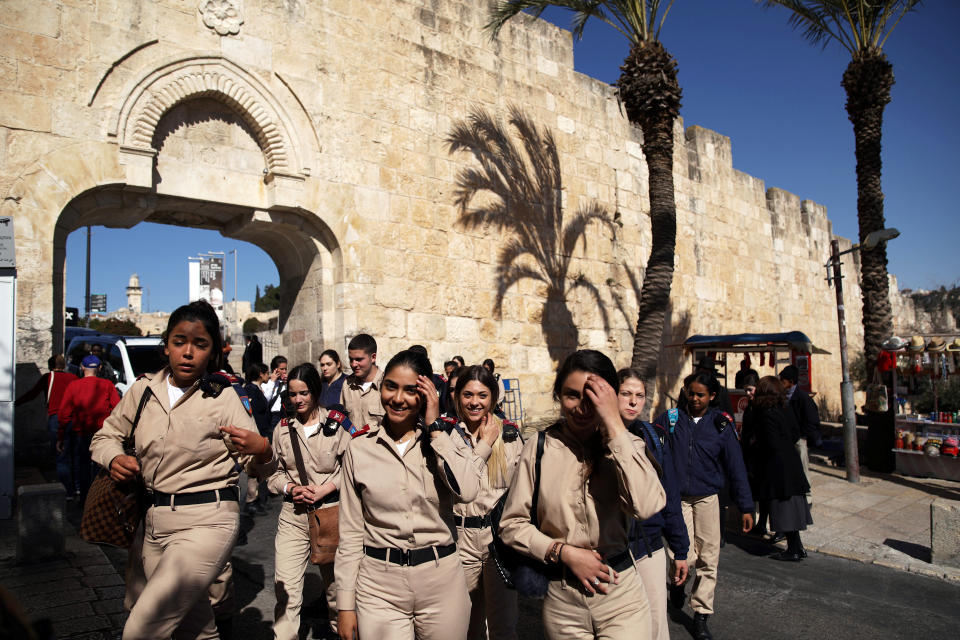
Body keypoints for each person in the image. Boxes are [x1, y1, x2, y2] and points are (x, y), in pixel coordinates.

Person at [90, 300, 272, 639]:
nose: (188, 352)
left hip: (207, 520)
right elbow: (104, 436)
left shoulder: (223, 398)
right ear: (166, 345)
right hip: (153, 523)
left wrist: (263, 450)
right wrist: (114, 458)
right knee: (195, 628)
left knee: (142, 630)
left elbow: (257, 466)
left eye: (200, 344)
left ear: (213, 352)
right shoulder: (143, 390)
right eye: (179, 341)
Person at [499, 350, 666, 640]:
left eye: (592, 397)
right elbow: (512, 525)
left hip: (621, 595)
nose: (581, 407)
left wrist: (614, 425)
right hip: (563, 601)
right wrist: (563, 552)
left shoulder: (630, 445)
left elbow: (648, 505)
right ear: (558, 395)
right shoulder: (538, 448)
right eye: (572, 395)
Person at [336, 350, 484, 640]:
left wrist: (434, 428)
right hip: (379, 584)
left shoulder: (447, 440)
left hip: (441, 581)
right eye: (391, 386)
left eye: (411, 390)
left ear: (426, 394)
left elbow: (468, 490)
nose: (398, 399)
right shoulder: (359, 448)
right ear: (381, 387)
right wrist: (344, 604)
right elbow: (351, 531)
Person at [655, 372, 754, 640]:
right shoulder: (669, 420)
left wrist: (746, 506)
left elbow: (736, 466)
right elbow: (652, 455)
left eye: (701, 394)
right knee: (682, 555)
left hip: (708, 498)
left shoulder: (721, 424)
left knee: (709, 560)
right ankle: (677, 583)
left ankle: (701, 615)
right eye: (691, 393)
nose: (695, 398)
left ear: (712, 396)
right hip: (677, 500)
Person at [266, 363, 350, 640]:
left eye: (303, 393)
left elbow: (353, 469)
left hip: (330, 517)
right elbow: (274, 475)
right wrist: (290, 487)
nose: (298, 400)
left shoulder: (337, 425)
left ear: (315, 392)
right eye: (292, 394)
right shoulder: (281, 429)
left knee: (339, 593)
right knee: (286, 589)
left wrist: (326, 488)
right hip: (293, 516)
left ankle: (343, 634)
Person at [449, 365, 523, 640]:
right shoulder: (447, 438)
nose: (474, 402)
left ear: (492, 397)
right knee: (467, 624)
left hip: (498, 539)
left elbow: (523, 490)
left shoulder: (511, 436)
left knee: (503, 625)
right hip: (460, 539)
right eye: (468, 395)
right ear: (457, 397)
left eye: (482, 395)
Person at [617, 369, 689, 640]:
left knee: (655, 625)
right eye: (626, 394)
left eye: (640, 396)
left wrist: (680, 550)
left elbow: (670, 496)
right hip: (611, 552)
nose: (633, 402)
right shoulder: (595, 439)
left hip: (650, 548)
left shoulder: (654, 437)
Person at [740, 377, 813, 561]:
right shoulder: (783, 409)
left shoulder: (766, 413)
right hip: (790, 463)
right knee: (791, 509)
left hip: (777, 468)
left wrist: (756, 443)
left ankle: (794, 550)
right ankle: (797, 547)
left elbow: (770, 442)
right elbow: (795, 432)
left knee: (785, 510)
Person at [57, 354, 121, 505]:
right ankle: (100, 497)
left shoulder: (73, 386)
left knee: (83, 466)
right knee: (101, 465)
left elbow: (64, 414)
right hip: (102, 432)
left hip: (81, 432)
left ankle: (85, 499)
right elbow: (118, 409)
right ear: (99, 368)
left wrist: (60, 436)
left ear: (82, 367)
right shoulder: (107, 385)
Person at [15, 354, 78, 494]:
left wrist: (14, 403)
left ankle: (66, 490)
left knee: (60, 455)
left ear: (50, 366)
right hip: (74, 418)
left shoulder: (48, 378)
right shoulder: (73, 378)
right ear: (64, 366)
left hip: (56, 417)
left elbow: (32, 394)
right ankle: (76, 487)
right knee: (74, 453)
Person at [779, 365, 822, 504]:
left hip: (798, 439)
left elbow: (811, 420)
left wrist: (802, 435)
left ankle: (807, 497)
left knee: (803, 467)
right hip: (787, 439)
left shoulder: (803, 398)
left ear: (791, 382)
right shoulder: (783, 396)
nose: (781, 383)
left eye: (783, 381)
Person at [243, 363, 272, 517]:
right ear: (261, 374)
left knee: (259, 468)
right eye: (267, 373)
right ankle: (251, 500)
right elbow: (252, 414)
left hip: (262, 433)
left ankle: (257, 499)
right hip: (257, 434)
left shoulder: (257, 389)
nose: (269, 375)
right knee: (253, 468)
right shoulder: (250, 390)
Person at [341, 334, 384, 434]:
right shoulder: (347, 385)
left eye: (359, 359)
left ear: (373, 357)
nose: (353, 364)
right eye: (351, 359)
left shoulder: (386, 385)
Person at [262, 355, 289, 435]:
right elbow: (266, 399)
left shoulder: (287, 382)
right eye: (282, 369)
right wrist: (272, 382)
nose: (284, 371)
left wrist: (288, 382)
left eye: (285, 369)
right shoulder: (267, 383)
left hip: (285, 415)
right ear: (275, 370)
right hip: (274, 416)